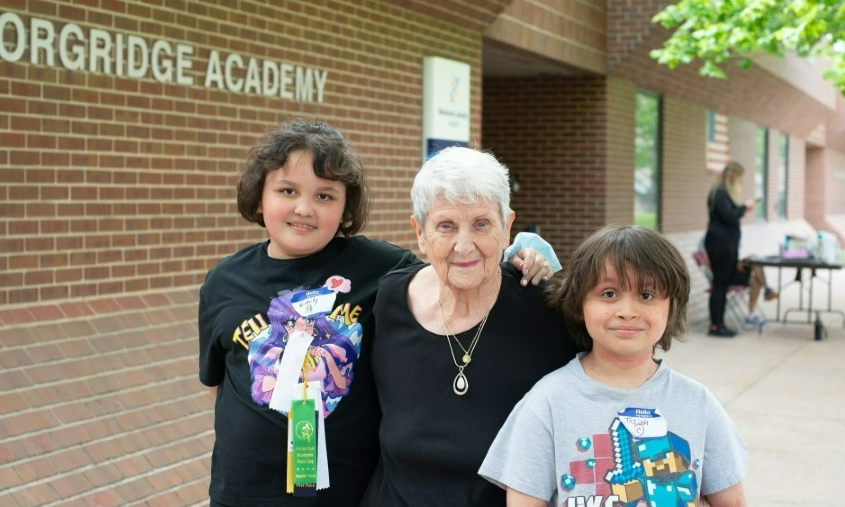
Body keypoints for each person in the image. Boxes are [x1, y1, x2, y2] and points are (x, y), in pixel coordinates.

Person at [198, 121, 554, 506]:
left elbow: (452, 260)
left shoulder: (379, 269)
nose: (304, 208)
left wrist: (522, 252)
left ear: (345, 205)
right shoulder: (224, 282)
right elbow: (219, 386)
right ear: (258, 197)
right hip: (242, 492)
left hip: (342, 493)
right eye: (287, 191)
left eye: (325, 196)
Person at [361, 147, 580, 507]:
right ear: (420, 232)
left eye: (481, 224)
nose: (464, 246)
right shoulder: (389, 299)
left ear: (508, 227)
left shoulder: (546, 308)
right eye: (446, 226)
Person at [479, 224, 749, 507]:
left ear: (671, 308)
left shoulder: (698, 403)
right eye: (608, 293)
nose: (627, 312)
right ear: (579, 303)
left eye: (646, 295)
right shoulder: (546, 404)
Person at [704, 161, 777, 337]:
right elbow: (729, 216)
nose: (741, 183)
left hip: (724, 245)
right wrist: (744, 207)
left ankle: (719, 324)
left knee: (722, 283)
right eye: (740, 179)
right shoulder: (720, 192)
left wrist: (743, 208)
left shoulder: (721, 193)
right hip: (721, 245)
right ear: (733, 177)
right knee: (720, 285)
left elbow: (729, 212)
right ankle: (716, 326)